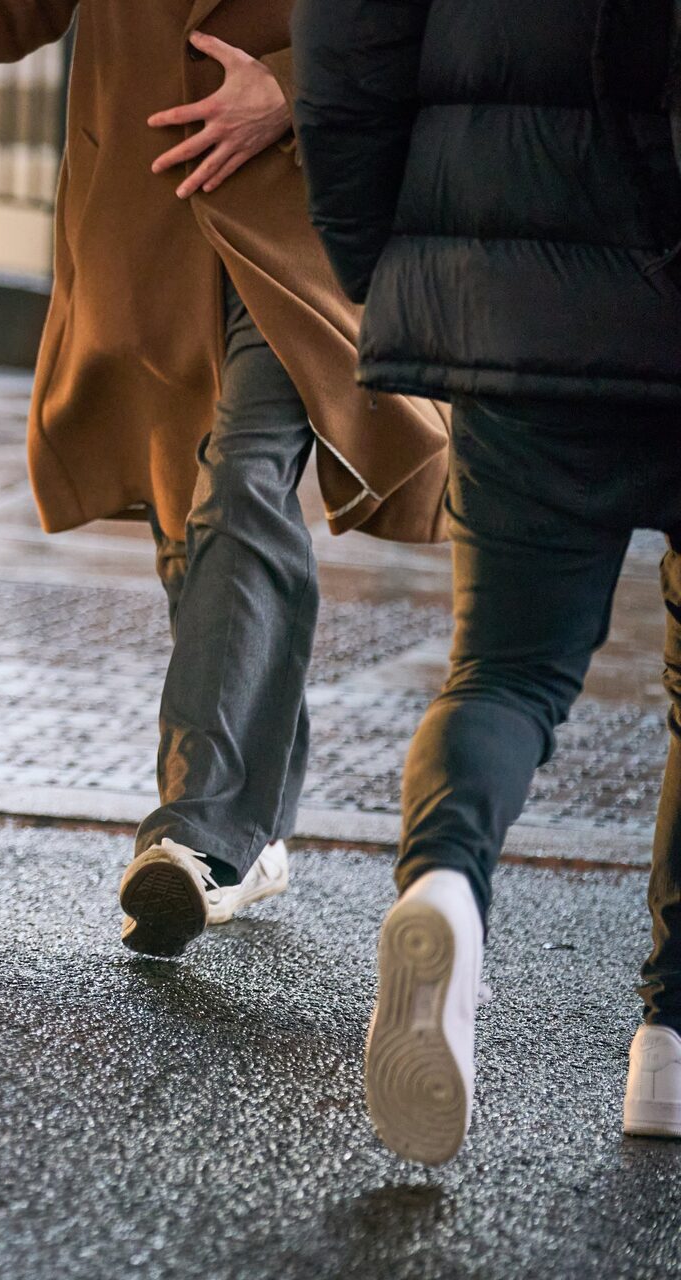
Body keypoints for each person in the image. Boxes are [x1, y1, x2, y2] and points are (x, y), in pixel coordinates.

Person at [0, 0, 450, 956]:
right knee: (197, 534)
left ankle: (198, 835)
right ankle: (253, 824)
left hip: (307, 211)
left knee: (242, 485)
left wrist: (293, 91)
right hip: (150, 216)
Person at [295, 0, 681, 1165]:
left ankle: (447, 887)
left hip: (514, 287)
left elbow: (347, 55)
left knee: (506, 673)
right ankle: (669, 1040)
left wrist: (396, 261)